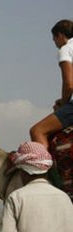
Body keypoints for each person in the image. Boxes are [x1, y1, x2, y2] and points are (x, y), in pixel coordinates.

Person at [30, 19, 73, 149]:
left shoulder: (66, 49)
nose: (54, 42)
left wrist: (63, 104)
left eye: (54, 39)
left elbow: (69, 84)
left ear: (60, 35)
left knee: (37, 131)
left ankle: (43, 168)